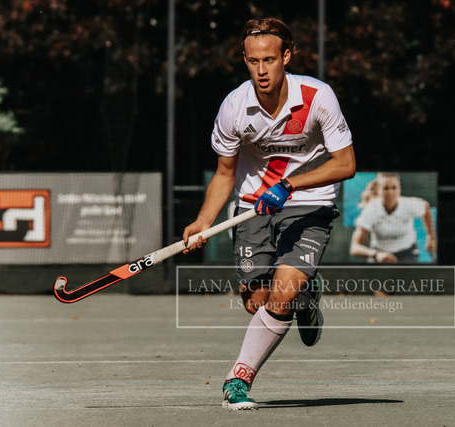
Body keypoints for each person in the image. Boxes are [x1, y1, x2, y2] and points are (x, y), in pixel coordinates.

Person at [182, 17, 355, 410]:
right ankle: (307, 296)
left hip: (309, 202)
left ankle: (238, 378)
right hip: (253, 206)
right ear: (245, 59)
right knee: (256, 302)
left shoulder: (317, 96)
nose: (261, 70)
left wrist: (290, 185)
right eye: (253, 61)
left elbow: (346, 164)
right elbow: (224, 173)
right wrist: (204, 221)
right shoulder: (234, 107)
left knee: (281, 296)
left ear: (286, 57)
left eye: (270, 60)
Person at [349, 172, 436, 263]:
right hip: (379, 253)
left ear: (399, 189)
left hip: (408, 252)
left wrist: (431, 237)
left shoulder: (409, 205)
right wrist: (376, 254)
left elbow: (426, 208)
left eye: (394, 188)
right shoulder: (371, 210)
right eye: (386, 188)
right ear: (378, 190)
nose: (390, 192)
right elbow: (355, 247)